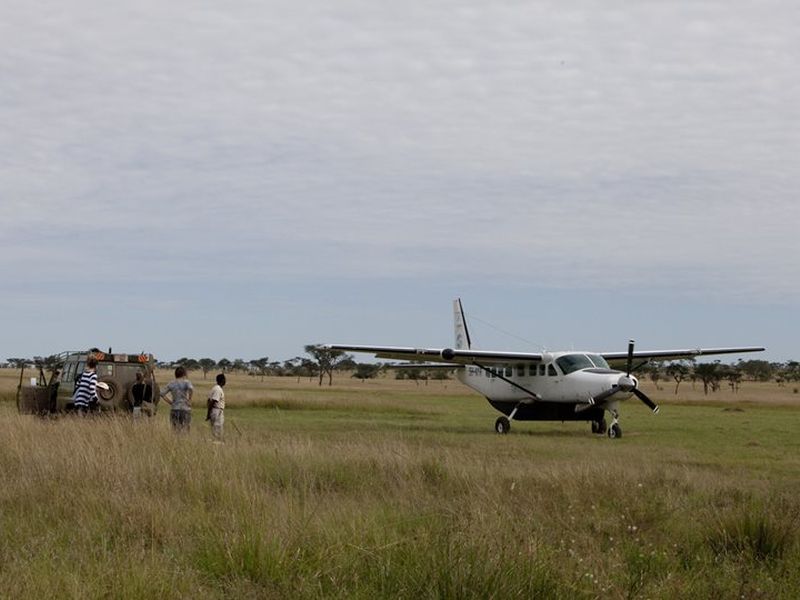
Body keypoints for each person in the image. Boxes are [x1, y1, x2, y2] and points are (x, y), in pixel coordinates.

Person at [160, 366, 193, 432]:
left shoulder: (171, 383)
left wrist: (170, 402)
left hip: (174, 408)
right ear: (184, 373)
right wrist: (189, 399)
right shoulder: (187, 382)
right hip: (185, 408)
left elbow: (162, 393)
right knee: (185, 429)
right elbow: (191, 389)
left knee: (175, 429)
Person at [206, 373, 226, 441]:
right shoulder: (218, 389)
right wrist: (208, 413)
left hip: (214, 410)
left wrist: (209, 413)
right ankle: (217, 442)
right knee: (218, 429)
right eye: (224, 380)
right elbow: (213, 401)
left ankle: (215, 441)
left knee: (214, 429)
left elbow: (208, 401)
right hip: (217, 411)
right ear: (222, 380)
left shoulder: (214, 388)